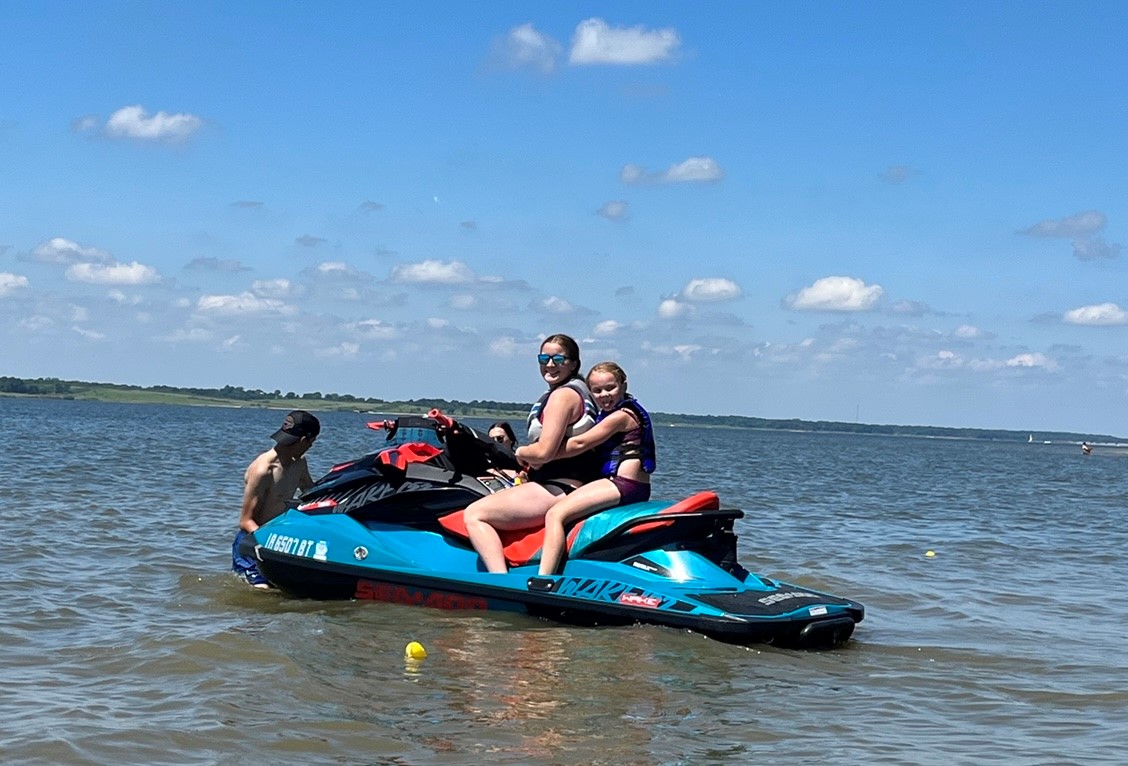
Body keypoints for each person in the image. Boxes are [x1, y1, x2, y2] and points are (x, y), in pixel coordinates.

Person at [463, 333, 600, 573]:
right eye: (543, 358)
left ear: (574, 363)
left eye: (558, 358)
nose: (549, 364)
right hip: (575, 483)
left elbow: (545, 451)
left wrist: (523, 452)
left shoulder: (562, 396)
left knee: (475, 514)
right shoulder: (581, 392)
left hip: (560, 487)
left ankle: (500, 582)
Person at [530, 362, 656, 576]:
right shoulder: (612, 412)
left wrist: (538, 453)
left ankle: (544, 578)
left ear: (623, 386)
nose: (604, 395)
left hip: (624, 485)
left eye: (610, 388)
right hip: (628, 485)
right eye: (597, 390)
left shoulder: (621, 416)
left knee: (555, 514)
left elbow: (580, 444)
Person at [232, 410, 321, 587]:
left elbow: (310, 494)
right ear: (304, 440)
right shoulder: (263, 470)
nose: (311, 446)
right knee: (263, 591)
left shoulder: (299, 463)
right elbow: (245, 521)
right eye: (312, 442)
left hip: (277, 541)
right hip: (254, 543)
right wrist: (271, 546)